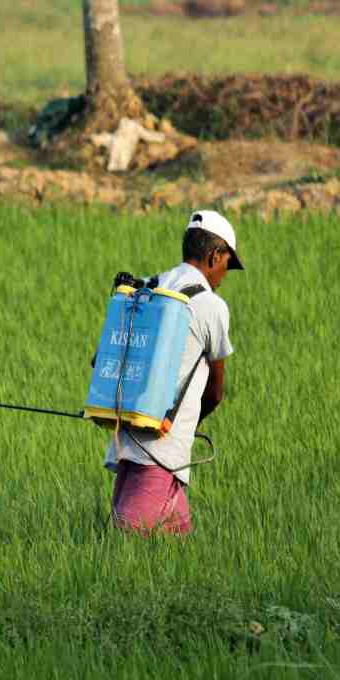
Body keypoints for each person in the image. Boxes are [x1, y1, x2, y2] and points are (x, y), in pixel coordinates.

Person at [104, 210, 241, 535]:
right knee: (128, 544)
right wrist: (190, 422)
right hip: (161, 451)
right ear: (214, 255)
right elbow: (215, 392)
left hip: (129, 438)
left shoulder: (149, 286)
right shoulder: (211, 305)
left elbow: (105, 358)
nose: (224, 274)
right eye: (226, 264)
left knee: (178, 546)